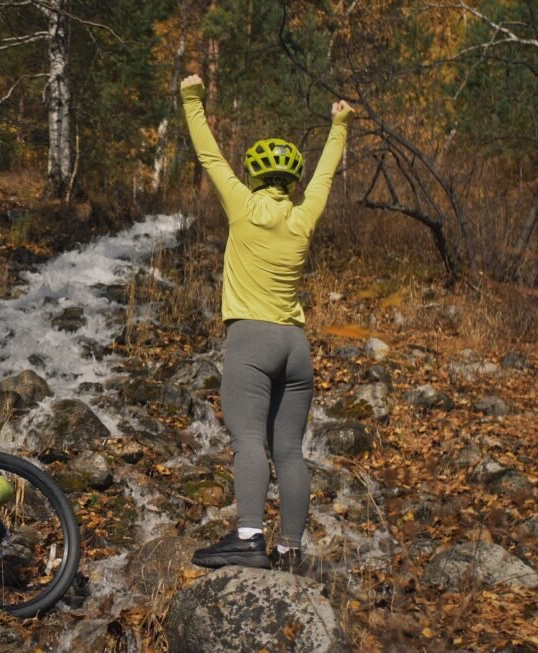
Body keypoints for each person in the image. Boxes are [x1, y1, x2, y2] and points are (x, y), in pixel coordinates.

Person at [179, 73, 354, 571]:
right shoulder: (303, 215)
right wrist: (339, 125)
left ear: (256, 178)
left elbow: (209, 154)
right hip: (296, 346)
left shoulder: (243, 206)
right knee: (290, 452)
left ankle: (249, 538)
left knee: (248, 443)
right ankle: (290, 550)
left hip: (250, 342)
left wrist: (192, 98)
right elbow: (325, 174)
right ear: (291, 183)